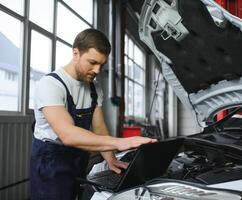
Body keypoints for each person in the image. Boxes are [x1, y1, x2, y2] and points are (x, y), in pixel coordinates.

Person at [30, 28, 156, 200]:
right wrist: (120, 142)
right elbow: (67, 134)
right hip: (51, 159)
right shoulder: (50, 85)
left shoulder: (94, 87)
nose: (97, 70)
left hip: (78, 157)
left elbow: (99, 127)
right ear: (76, 53)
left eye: (102, 65)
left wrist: (111, 159)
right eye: (92, 62)